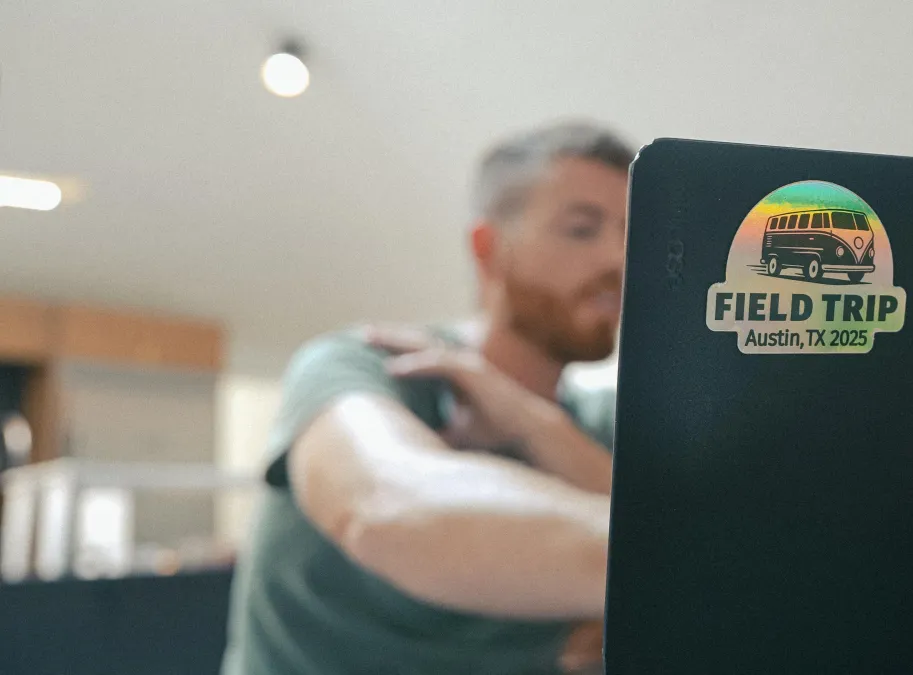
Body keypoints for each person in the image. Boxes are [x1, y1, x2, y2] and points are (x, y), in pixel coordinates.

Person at [220, 120, 635, 675]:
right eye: (582, 230)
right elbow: (391, 509)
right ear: (489, 249)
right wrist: (693, 569)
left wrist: (534, 424)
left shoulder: (603, 425)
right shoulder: (363, 366)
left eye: (632, 233)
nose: (618, 259)